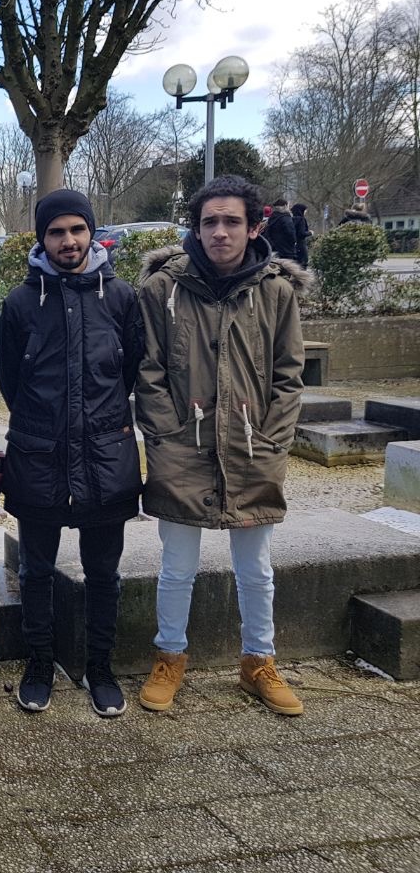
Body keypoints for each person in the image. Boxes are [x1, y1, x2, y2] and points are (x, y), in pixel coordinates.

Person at [135, 175, 310, 717]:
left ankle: (259, 660)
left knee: (256, 567)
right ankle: (169, 656)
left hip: (253, 447)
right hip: (182, 447)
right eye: (209, 221)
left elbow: (289, 375)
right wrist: (164, 436)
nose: (219, 232)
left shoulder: (276, 292)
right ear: (196, 227)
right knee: (177, 565)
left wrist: (274, 439)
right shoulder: (163, 289)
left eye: (232, 221)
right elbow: (149, 370)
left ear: (253, 226)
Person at [0, 189, 143, 718]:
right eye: (56, 231)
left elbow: (129, 371)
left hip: (105, 458)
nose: (68, 240)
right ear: (42, 238)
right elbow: (10, 380)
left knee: (103, 573)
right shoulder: (20, 303)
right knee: (36, 571)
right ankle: (40, 664)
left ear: (91, 233)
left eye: (77, 229)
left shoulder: (120, 297)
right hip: (39, 456)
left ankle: (100, 667)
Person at [291, 203, 311, 268]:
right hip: (301, 244)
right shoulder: (301, 220)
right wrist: (310, 233)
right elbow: (302, 233)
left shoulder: (292, 219)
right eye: (305, 210)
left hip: (294, 245)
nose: (305, 212)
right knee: (303, 263)